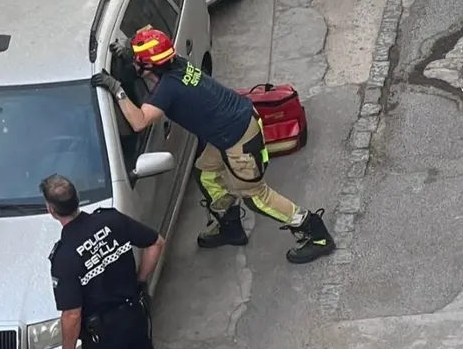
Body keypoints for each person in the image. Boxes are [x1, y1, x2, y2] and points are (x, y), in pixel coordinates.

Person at [91, 27, 336, 264]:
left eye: (136, 60)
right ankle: (230, 227)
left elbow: (139, 122)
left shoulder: (169, 88)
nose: (132, 64)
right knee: (206, 173)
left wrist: (117, 89)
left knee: (256, 197)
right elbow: (154, 80)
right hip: (230, 129)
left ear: (149, 65)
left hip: (238, 137)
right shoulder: (176, 66)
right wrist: (133, 57)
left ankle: (314, 230)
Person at [42, 174, 163, 349]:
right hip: (134, 317)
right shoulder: (112, 220)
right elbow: (156, 243)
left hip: (103, 337)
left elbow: (72, 315)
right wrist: (140, 280)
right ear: (77, 199)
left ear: (51, 210)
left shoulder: (64, 257)